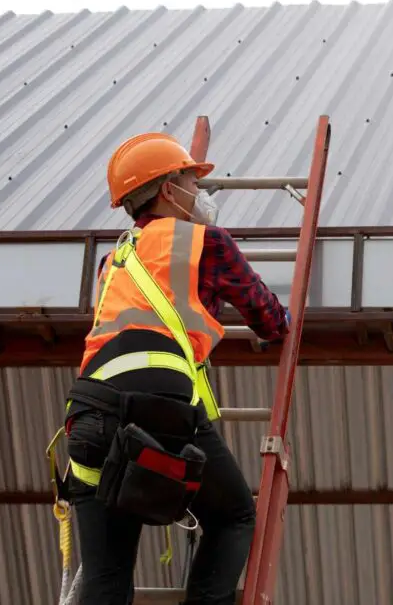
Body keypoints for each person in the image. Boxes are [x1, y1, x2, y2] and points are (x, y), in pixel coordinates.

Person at [63, 132, 290, 605]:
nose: (200, 192)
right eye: (192, 179)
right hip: (158, 407)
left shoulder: (115, 260)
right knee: (234, 515)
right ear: (169, 189)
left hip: (88, 416)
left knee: (105, 575)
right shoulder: (205, 243)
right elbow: (269, 319)